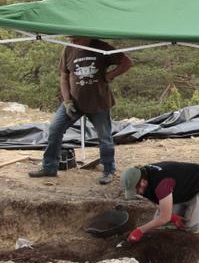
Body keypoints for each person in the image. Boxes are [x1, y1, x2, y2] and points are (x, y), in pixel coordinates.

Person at [29, 37, 133, 185]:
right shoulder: (68, 49)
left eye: (76, 39)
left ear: (86, 36)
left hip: (98, 103)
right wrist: (67, 101)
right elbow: (64, 76)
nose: (72, 42)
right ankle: (49, 167)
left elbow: (127, 63)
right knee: (55, 129)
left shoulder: (101, 47)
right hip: (74, 103)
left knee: (104, 137)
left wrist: (108, 76)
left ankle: (108, 171)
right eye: (71, 39)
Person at [121, 161, 199, 240]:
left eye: (136, 190)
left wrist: (140, 230)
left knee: (190, 226)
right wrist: (173, 218)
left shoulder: (161, 183)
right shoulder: (143, 175)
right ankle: (189, 206)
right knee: (161, 224)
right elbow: (158, 201)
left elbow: (164, 218)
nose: (136, 193)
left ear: (143, 182)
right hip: (180, 189)